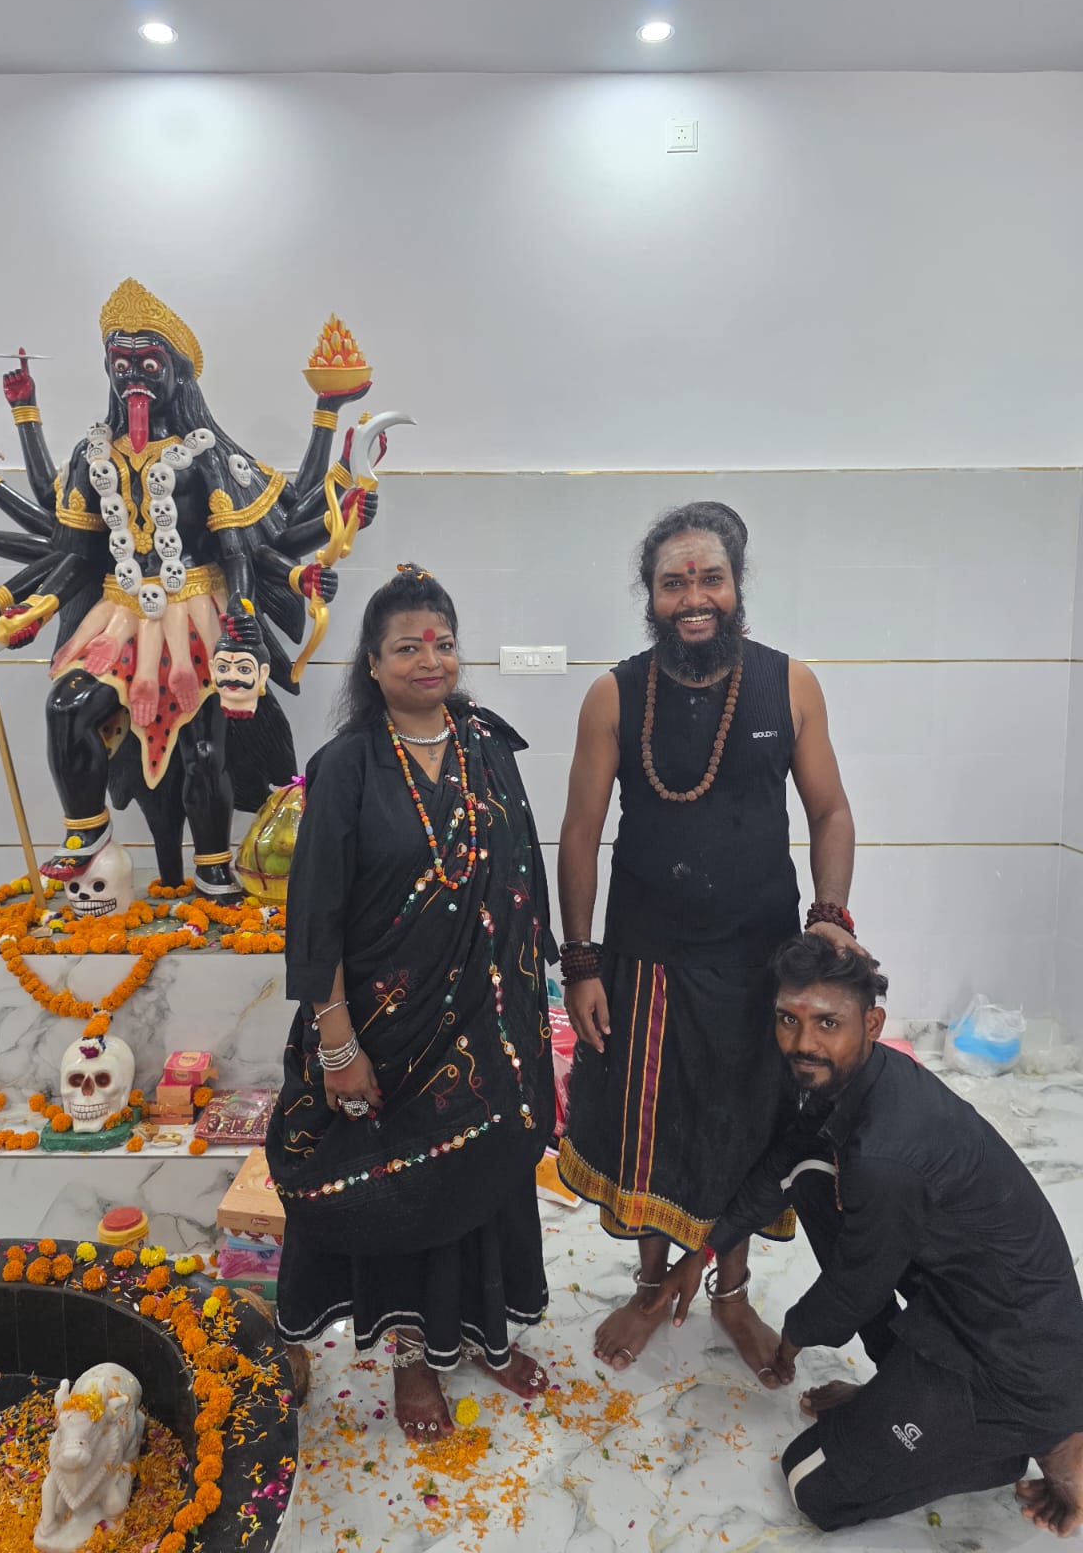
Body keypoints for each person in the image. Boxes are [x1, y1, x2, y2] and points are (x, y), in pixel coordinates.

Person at [556, 501, 857, 1380]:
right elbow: (579, 834)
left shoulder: (789, 684)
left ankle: (730, 1292)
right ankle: (652, 1286)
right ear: (649, 596)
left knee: (745, 1124)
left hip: (761, 958)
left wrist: (830, 915)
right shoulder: (614, 694)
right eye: (673, 582)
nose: (694, 598)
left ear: (737, 584)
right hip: (646, 958)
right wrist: (581, 963)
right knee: (648, 1129)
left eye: (710, 579)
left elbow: (831, 811)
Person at [652, 934, 1083, 1537]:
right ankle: (906, 1392)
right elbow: (785, 1163)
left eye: (828, 1023)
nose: (803, 1043)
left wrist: (791, 1342)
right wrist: (704, 1251)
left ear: (873, 1025)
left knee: (811, 1482)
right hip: (954, 1306)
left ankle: (1037, 1444)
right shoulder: (855, 1081)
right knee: (811, 1173)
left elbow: (858, 1284)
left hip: (1009, 1362)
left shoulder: (885, 1155)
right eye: (789, 1020)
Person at [265, 564, 556, 1440]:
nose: (430, 660)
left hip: (491, 1023)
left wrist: (541, 995)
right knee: (408, 1190)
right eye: (407, 648)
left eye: (444, 644)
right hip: (388, 1033)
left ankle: (486, 1333)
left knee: (489, 1175)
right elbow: (314, 915)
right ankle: (412, 1356)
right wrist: (338, 1042)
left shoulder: (488, 746)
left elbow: (524, 880)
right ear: (372, 662)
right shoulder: (346, 765)